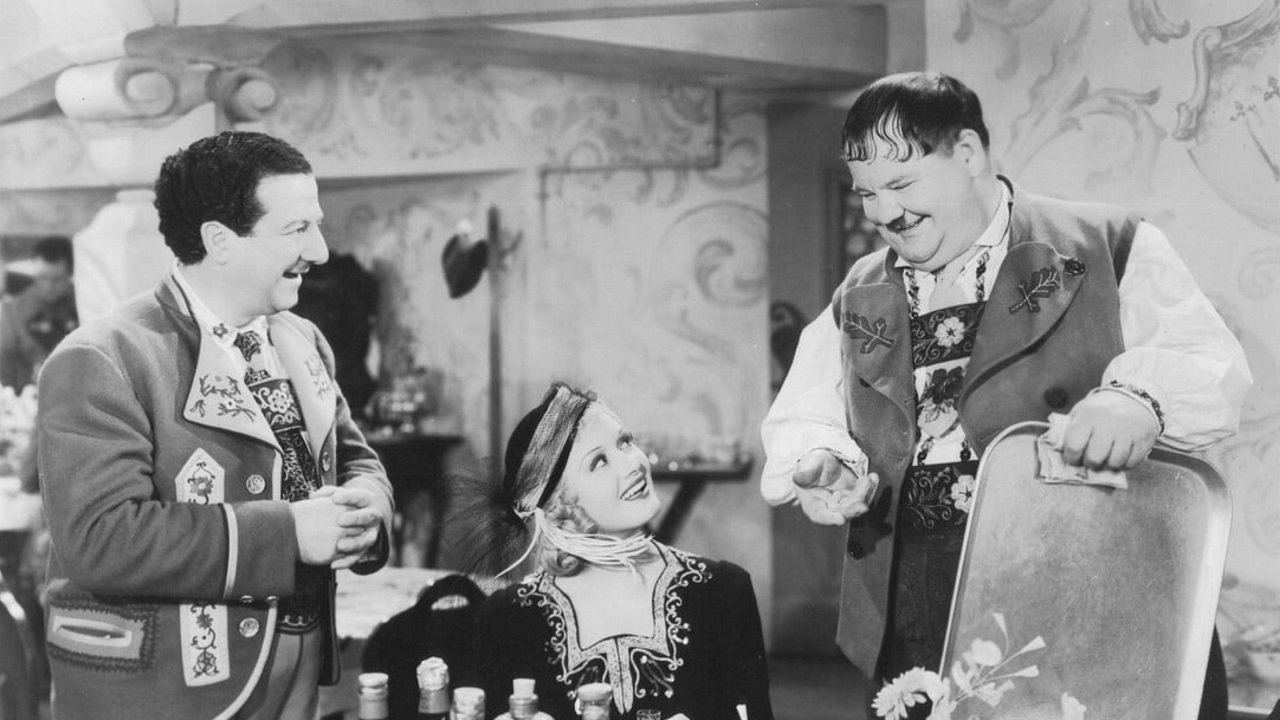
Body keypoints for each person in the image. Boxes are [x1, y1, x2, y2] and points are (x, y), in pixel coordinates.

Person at [759, 72, 1251, 719]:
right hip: (918, 595)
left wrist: (1136, 400)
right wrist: (825, 461)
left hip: (1090, 584)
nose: (883, 213)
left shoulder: (1105, 243)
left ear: (967, 153)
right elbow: (806, 413)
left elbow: (1208, 364)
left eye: (902, 184)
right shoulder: (860, 288)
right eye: (867, 193)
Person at [36, 130, 394, 720]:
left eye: (316, 225)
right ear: (219, 241)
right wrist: (290, 535)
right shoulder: (103, 358)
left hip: (296, 670)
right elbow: (100, 539)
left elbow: (357, 459)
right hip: (164, 691)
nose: (320, 251)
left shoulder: (301, 338)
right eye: (296, 229)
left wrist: (365, 508)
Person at [470, 383, 773, 720]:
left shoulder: (721, 591)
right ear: (557, 504)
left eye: (625, 442)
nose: (632, 464)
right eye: (599, 462)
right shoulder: (509, 618)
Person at [0, 235, 78, 390]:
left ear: (70, 275)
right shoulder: (13, 311)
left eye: (56, 280)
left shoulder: (84, 306)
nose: (48, 287)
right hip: (28, 395)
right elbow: (5, 370)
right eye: (42, 278)